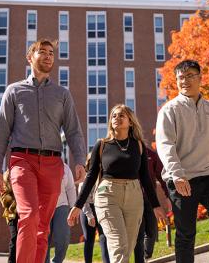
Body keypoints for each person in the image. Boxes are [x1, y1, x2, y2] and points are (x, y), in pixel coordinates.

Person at [0, 38, 87, 263]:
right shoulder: (14, 91)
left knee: (43, 227)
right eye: (42, 52)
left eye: (51, 53)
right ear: (30, 57)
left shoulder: (62, 94)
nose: (47, 56)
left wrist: (80, 160)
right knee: (29, 215)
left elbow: (73, 130)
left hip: (53, 164)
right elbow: (1, 132)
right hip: (22, 160)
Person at [156, 60, 209, 263]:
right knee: (186, 234)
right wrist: (177, 175)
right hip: (182, 180)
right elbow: (165, 146)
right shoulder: (169, 110)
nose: (185, 80)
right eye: (181, 77)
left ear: (200, 78)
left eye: (190, 75)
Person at [68, 104, 166, 263]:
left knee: (127, 247)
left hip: (134, 196)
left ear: (130, 121)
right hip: (108, 195)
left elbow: (145, 178)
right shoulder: (102, 145)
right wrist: (78, 205)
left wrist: (156, 205)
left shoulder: (138, 145)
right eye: (114, 116)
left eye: (121, 116)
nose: (117, 118)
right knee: (119, 246)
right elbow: (91, 177)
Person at [134, 146, 170, 263]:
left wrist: (168, 196)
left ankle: (146, 256)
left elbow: (162, 175)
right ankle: (140, 259)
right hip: (133, 200)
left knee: (152, 230)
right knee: (139, 232)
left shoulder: (151, 154)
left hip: (150, 199)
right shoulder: (128, 153)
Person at [78, 155, 110, 263]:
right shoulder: (85, 178)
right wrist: (90, 215)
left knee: (104, 238)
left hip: (100, 207)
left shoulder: (103, 177)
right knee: (89, 239)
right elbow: (83, 200)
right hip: (87, 209)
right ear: (88, 163)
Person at [45, 163, 76, 263]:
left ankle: (57, 261)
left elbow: (71, 188)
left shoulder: (65, 167)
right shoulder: (40, 163)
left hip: (62, 205)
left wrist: (74, 208)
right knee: (44, 238)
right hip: (44, 206)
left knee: (63, 237)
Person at [0, 169, 18, 263]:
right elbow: (6, 204)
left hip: (23, 215)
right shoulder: (5, 191)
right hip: (12, 216)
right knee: (14, 238)